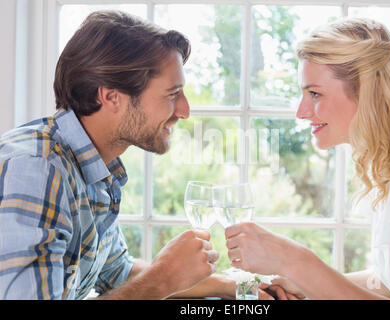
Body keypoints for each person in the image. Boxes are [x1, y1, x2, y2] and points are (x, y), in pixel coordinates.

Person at [0, 10, 240, 300]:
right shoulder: (37, 169)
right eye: (172, 94)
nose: (184, 111)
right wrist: (164, 276)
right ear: (111, 96)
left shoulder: (94, 169)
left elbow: (118, 273)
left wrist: (234, 286)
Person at [225, 18, 390, 300]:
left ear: (368, 94)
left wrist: (297, 262)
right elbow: (387, 281)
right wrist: (302, 282)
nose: (301, 111)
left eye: (314, 93)